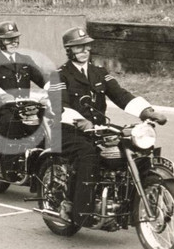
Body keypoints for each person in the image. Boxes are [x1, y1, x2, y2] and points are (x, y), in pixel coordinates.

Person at [49, 26, 167, 220]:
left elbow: (121, 95)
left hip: (98, 129)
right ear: (69, 50)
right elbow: (59, 105)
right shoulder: (59, 75)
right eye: (78, 47)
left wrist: (148, 112)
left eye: (87, 46)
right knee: (88, 154)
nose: (84, 51)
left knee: (135, 145)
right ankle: (76, 208)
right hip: (68, 130)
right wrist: (80, 121)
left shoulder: (99, 72)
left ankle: (136, 199)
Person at [0, 21, 47, 148]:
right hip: (3, 108)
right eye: (9, 40)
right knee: (12, 126)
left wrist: (55, 88)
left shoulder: (26, 59)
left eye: (16, 39)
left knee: (49, 120)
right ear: (0, 41)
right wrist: (4, 96)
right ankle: (9, 159)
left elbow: (42, 78)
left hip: (26, 106)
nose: (13, 43)